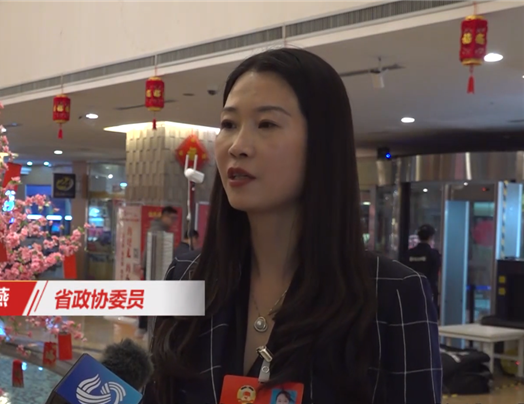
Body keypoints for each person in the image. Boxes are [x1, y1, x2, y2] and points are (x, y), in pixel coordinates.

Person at [142, 48, 441, 404]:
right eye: (229, 124)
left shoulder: (392, 295)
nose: (238, 146)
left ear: (322, 144)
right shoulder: (184, 277)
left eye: (266, 124)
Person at [135, 206, 178, 339]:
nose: (173, 222)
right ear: (164, 216)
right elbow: (150, 252)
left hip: (153, 269)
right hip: (155, 270)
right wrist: (144, 266)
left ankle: (144, 328)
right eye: (172, 218)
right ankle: (147, 328)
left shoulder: (159, 229)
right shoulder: (157, 231)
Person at [406, 224, 441, 316]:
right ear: (431, 237)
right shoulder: (434, 254)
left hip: (410, 292)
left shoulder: (409, 254)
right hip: (428, 291)